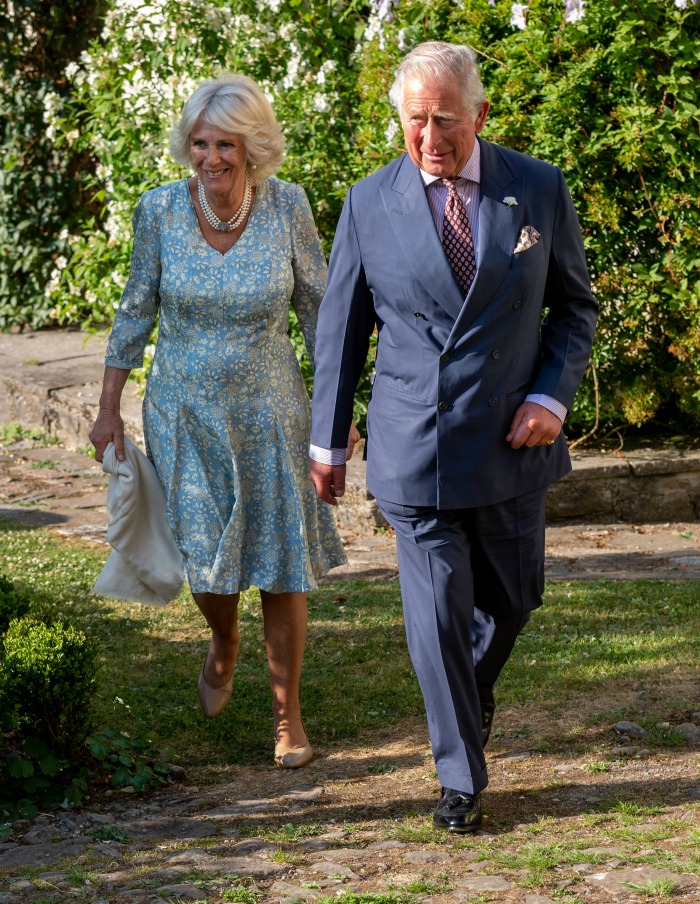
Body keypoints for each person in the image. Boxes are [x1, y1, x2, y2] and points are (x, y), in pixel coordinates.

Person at [309, 42, 598, 828]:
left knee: (512, 603)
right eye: (415, 121)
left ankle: (463, 706)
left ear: (480, 115)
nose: (430, 137)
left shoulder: (536, 188)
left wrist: (550, 396)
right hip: (419, 444)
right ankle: (460, 778)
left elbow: (576, 309)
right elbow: (342, 331)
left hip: (513, 441)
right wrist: (327, 443)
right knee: (437, 619)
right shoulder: (370, 203)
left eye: (444, 119)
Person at [89, 73, 354, 769]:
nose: (212, 158)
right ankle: (225, 642)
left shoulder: (288, 207)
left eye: (227, 144)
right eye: (201, 143)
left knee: (282, 566)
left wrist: (337, 413)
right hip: (185, 415)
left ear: (253, 147)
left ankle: (287, 717)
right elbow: (134, 311)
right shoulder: (160, 211)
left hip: (273, 415)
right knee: (208, 567)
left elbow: (321, 316)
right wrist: (107, 407)